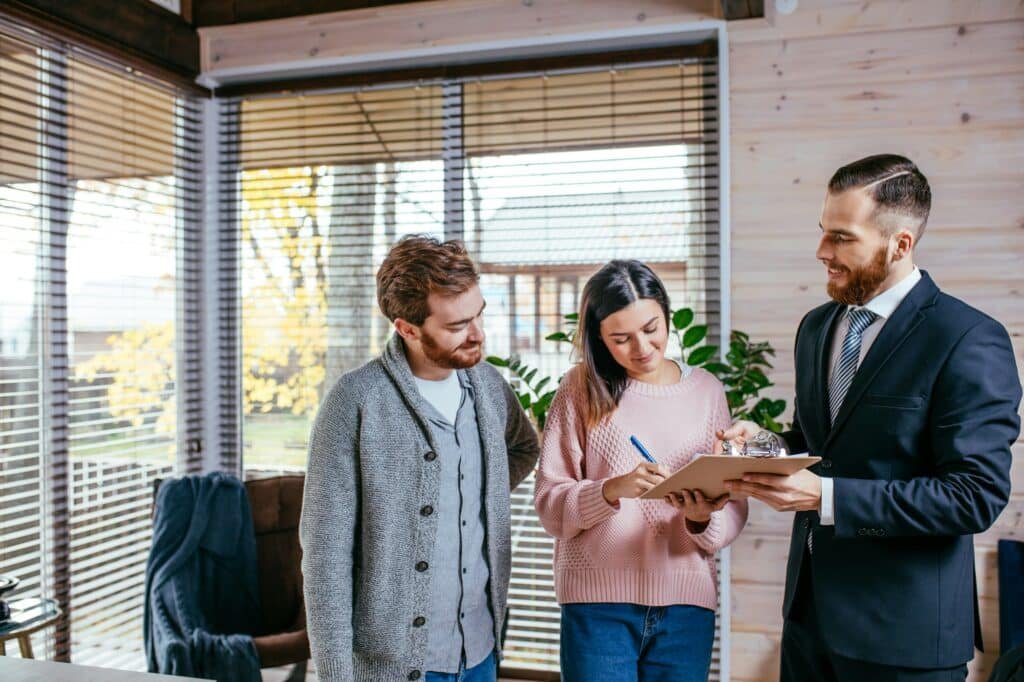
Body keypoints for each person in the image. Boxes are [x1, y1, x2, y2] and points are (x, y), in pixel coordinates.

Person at [722, 154, 1022, 681]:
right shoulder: (817, 327)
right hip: (808, 624)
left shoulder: (968, 339)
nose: (821, 253)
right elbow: (822, 444)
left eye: (842, 238)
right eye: (823, 233)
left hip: (905, 637)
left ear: (900, 244)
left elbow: (974, 496)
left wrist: (827, 496)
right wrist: (767, 444)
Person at [300, 235, 540, 682]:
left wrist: (477, 495)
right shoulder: (355, 402)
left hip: (480, 651)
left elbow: (525, 447)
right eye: (456, 326)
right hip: (393, 666)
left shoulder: (488, 386)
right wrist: (335, 674)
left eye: (479, 315)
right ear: (407, 328)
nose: (477, 334)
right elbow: (325, 555)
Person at [534, 259, 748, 682]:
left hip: (686, 607)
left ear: (668, 314)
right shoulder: (579, 389)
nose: (643, 348)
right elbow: (549, 506)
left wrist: (701, 516)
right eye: (621, 338)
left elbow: (733, 510)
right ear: (599, 338)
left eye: (652, 329)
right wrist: (611, 490)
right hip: (598, 609)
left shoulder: (706, 391)